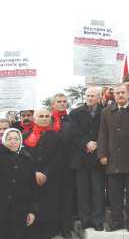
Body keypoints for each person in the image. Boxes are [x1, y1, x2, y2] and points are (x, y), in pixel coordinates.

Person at [97, 83, 129, 232]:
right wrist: (102, 154)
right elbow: (103, 134)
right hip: (113, 159)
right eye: (117, 93)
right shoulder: (106, 112)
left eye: (122, 92)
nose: (119, 95)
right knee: (114, 194)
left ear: (128, 93)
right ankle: (116, 221)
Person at [69, 86, 105, 231]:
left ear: (99, 97)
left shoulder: (105, 112)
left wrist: (97, 143)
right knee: (82, 191)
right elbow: (73, 132)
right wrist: (86, 143)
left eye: (92, 96)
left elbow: (106, 131)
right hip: (81, 158)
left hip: (97, 157)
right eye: (88, 95)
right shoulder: (75, 113)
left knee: (97, 191)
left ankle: (98, 220)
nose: (89, 98)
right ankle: (84, 220)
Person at [24, 109, 62, 239]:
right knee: (34, 203)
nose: (45, 118)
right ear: (35, 118)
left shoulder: (56, 136)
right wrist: (34, 172)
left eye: (47, 116)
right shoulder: (26, 135)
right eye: (41, 116)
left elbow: (58, 157)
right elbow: (24, 157)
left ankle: (49, 232)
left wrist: (46, 173)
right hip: (31, 177)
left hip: (50, 177)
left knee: (49, 204)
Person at [0, 128, 37, 239]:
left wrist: (32, 211)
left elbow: (33, 187)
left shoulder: (27, 158)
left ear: (20, 140)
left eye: (16, 139)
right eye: (9, 139)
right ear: (3, 140)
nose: (13, 142)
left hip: (21, 209)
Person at [51, 93, 75, 238]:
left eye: (64, 101)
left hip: (67, 165)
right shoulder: (47, 120)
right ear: (52, 104)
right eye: (58, 101)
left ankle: (66, 228)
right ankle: (53, 227)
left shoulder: (71, 119)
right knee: (52, 197)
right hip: (51, 166)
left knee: (67, 198)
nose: (62, 103)